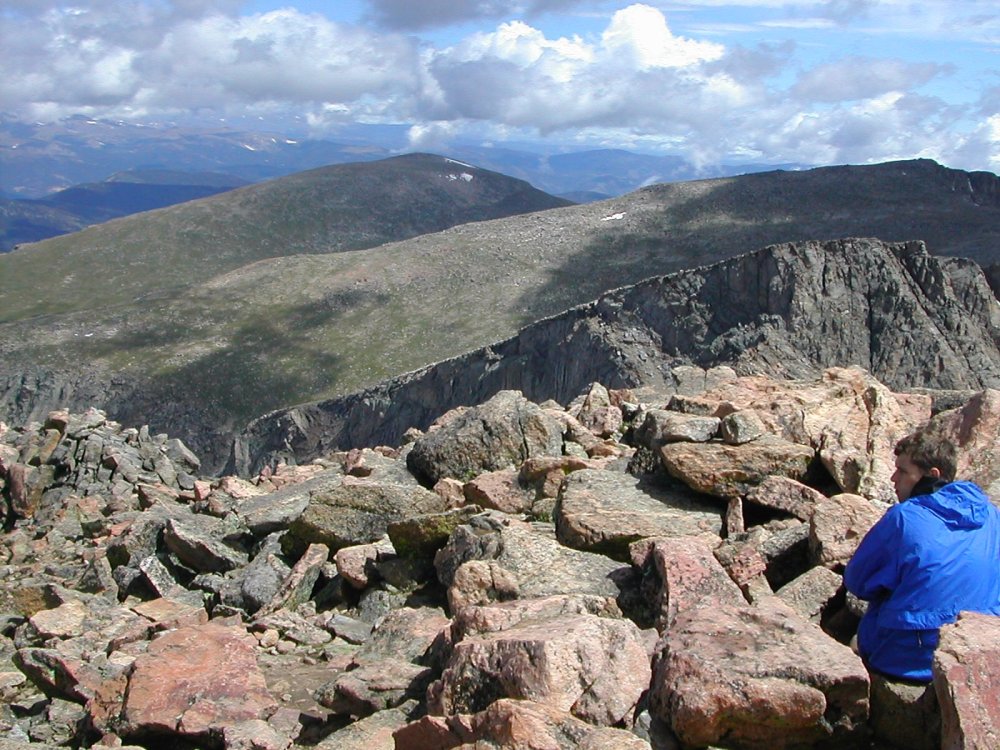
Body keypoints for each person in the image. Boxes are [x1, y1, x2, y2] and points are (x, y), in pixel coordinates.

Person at [843, 428, 1000, 682]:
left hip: (909, 657)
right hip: (978, 651)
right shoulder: (992, 516)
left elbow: (857, 582)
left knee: (859, 630)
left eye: (903, 471)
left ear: (932, 475)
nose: (893, 478)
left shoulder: (903, 517)